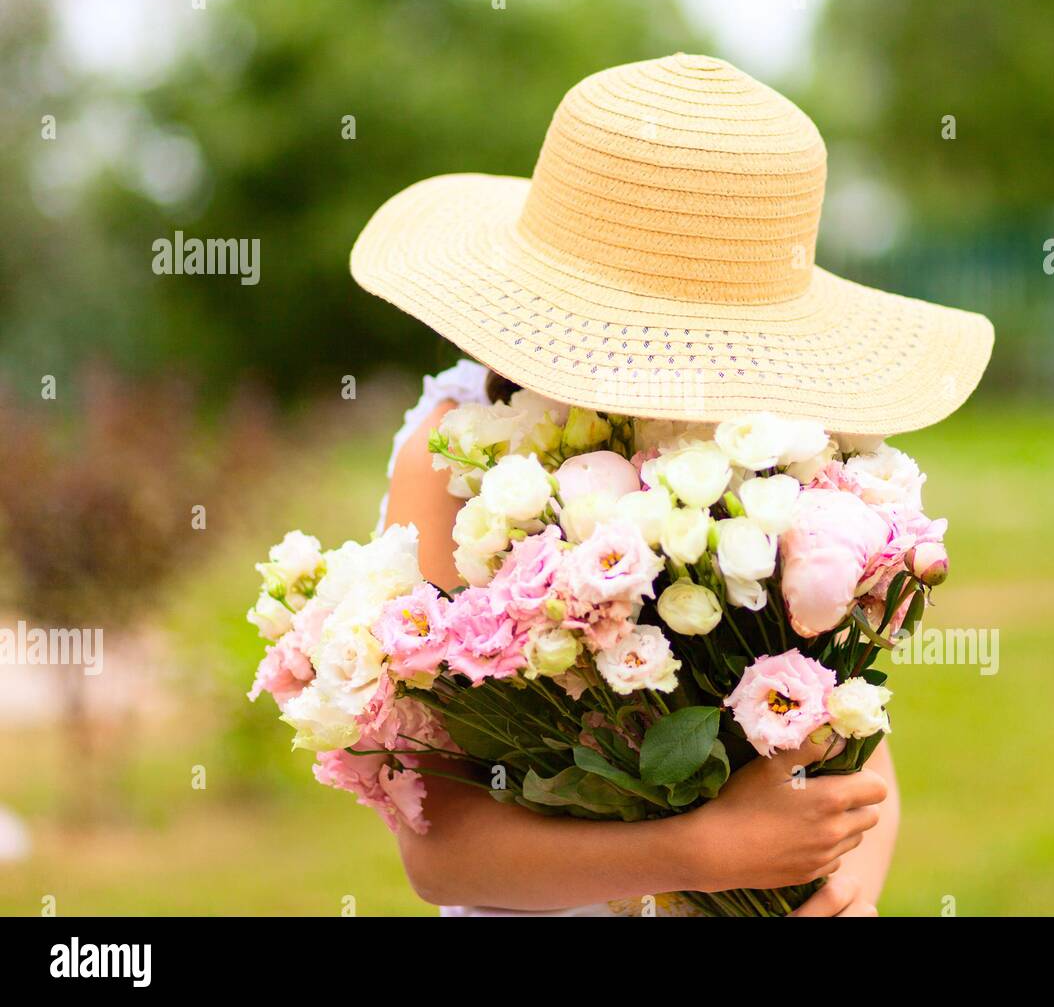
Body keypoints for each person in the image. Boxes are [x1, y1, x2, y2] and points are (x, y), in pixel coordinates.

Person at [349, 54, 993, 916]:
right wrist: (702, 853)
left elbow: (861, 763)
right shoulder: (453, 460)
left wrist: (841, 899)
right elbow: (444, 853)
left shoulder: (784, 461)